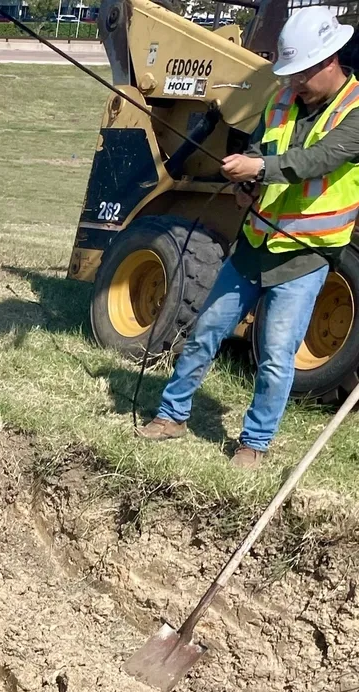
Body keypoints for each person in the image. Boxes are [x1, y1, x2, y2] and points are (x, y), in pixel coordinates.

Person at [139, 6, 359, 468]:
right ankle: (172, 415)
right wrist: (247, 182)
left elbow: (316, 160)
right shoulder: (282, 99)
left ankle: (253, 444)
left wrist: (260, 169)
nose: (293, 82)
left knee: (276, 356)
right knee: (206, 331)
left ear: (329, 61)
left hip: (304, 255)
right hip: (255, 244)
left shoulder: (356, 112)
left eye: (301, 73)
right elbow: (259, 146)